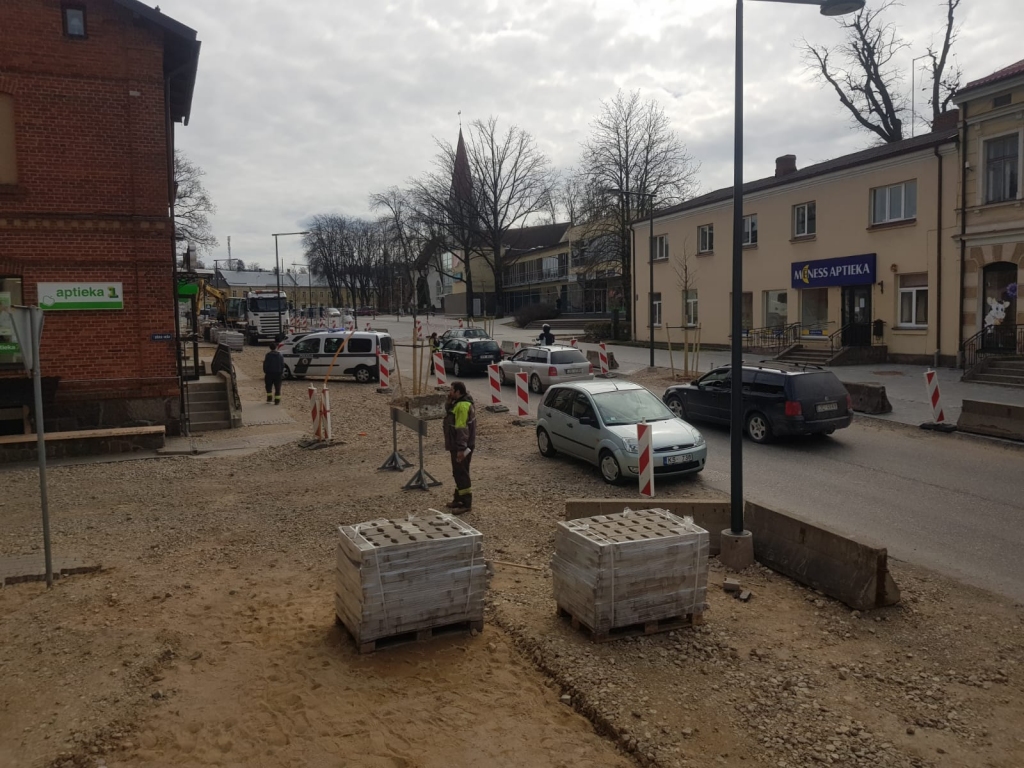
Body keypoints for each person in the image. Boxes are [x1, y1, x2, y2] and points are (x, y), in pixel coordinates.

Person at [442, 381, 476, 512]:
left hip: (461, 446)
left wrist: (461, 449)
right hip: (459, 445)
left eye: (451, 390)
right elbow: (449, 411)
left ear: (458, 392)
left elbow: (462, 429)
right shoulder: (458, 403)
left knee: (461, 472)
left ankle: (466, 504)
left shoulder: (462, 406)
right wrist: (449, 400)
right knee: (458, 472)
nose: (449, 392)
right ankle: (458, 499)